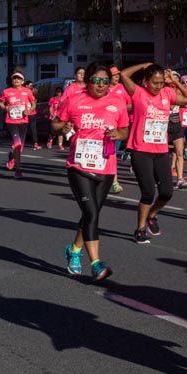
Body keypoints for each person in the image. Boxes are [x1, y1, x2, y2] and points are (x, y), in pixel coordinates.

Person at [51, 62, 131, 282]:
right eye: (96, 80)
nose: (101, 85)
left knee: (90, 213)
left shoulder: (117, 103)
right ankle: (96, 264)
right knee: (92, 214)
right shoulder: (74, 100)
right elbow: (56, 124)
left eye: (105, 81)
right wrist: (63, 128)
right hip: (79, 167)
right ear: (88, 81)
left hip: (106, 166)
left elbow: (125, 129)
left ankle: (74, 250)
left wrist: (118, 134)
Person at [120, 62, 187, 243]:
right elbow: (123, 75)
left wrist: (174, 83)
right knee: (147, 192)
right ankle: (140, 229)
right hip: (140, 150)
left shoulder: (167, 93)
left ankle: (152, 214)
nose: (158, 86)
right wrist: (144, 65)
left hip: (161, 150)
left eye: (161, 83)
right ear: (146, 81)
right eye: (154, 82)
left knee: (167, 192)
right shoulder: (138, 93)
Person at [0, 72, 36, 177]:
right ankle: (18, 170)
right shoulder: (7, 91)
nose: (16, 80)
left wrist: (28, 111)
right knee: (18, 144)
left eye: (18, 79)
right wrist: (5, 108)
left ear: (22, 81)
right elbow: (0, 103)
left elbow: (33, 104)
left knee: (20, 148)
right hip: (11, 122)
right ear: (12, 81)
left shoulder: (27, 91)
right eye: (14, 78)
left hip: (23, 121)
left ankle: (12, 157)